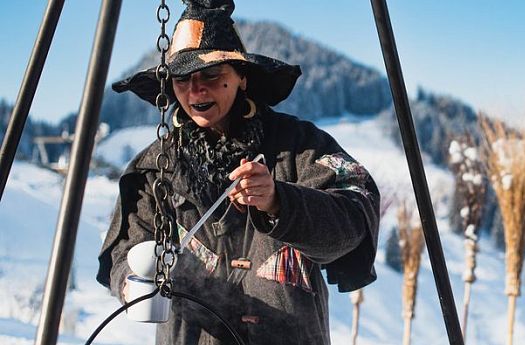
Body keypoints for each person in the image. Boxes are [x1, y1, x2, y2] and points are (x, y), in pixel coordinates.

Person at [96, 1, 380, 344]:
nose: (195, 90)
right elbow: (124, 249)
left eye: (211, 75)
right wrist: (131, 283)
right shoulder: (154, 168)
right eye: (182, 79)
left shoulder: (301, 146)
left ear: (241, 77)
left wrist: (280, 201)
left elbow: (355, 213)